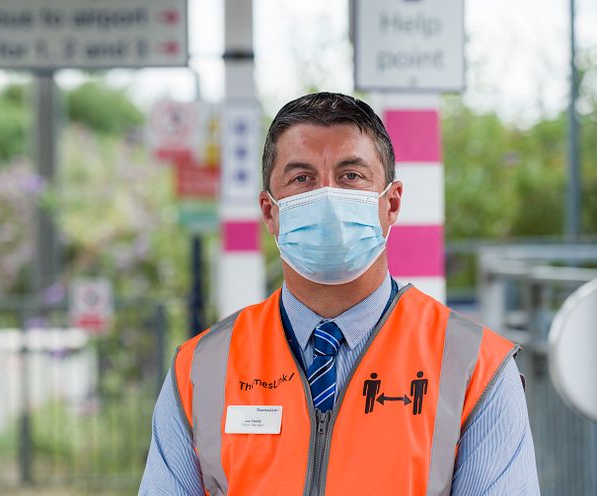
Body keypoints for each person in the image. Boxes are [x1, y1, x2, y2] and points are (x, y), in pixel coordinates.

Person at [139, 92, 539, 495]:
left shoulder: (475, 369)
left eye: (351, 175)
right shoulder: (201, 371)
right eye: (302, 178)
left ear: (392, 202)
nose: (327, 196)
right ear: (269, 212)